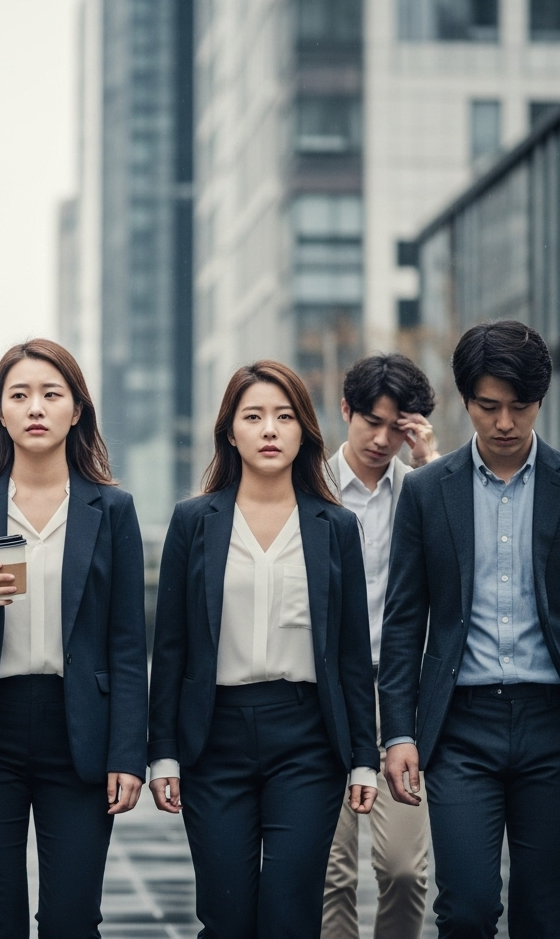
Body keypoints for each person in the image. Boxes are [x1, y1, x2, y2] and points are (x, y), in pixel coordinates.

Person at [0, 339, 148, 939]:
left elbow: (126, 642)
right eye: (20, 395)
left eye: (52, 394)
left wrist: (128, 754)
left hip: (80, 734)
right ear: (1, 412)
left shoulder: (112, 509)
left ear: (77, 410)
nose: (36, 407)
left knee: (73, 920)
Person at [148, 359, 378, 939]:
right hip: (214, 738)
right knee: (225, 917)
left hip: (306, 740)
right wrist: (163, 753)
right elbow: (170, 648)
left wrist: (363, 756)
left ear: (305, 430)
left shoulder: (335, 526)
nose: (270, 430)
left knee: (289, 915)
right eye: (254, 417)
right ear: (231, 430)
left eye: (284, 416)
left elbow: (352, 654)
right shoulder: (193, 522)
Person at [380, 320, 560, 939]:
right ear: (465, 401)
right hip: (461, 728)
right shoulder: (427, 491)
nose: (506, 423)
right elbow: (404, 619)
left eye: (521, 407)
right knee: (464, 909)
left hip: (554, 725)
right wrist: (398, 734)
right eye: (489, 407)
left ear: (540, 401)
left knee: (546, 916)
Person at [322, 353, 438, 939]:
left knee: (403, 870)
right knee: (330, 873)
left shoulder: (424, 492)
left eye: (398, 427)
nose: (382, 438)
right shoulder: (309, 489)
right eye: (372, 420)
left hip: (400, 695)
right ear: (346, 410)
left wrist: (431, 464)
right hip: (324, 692)